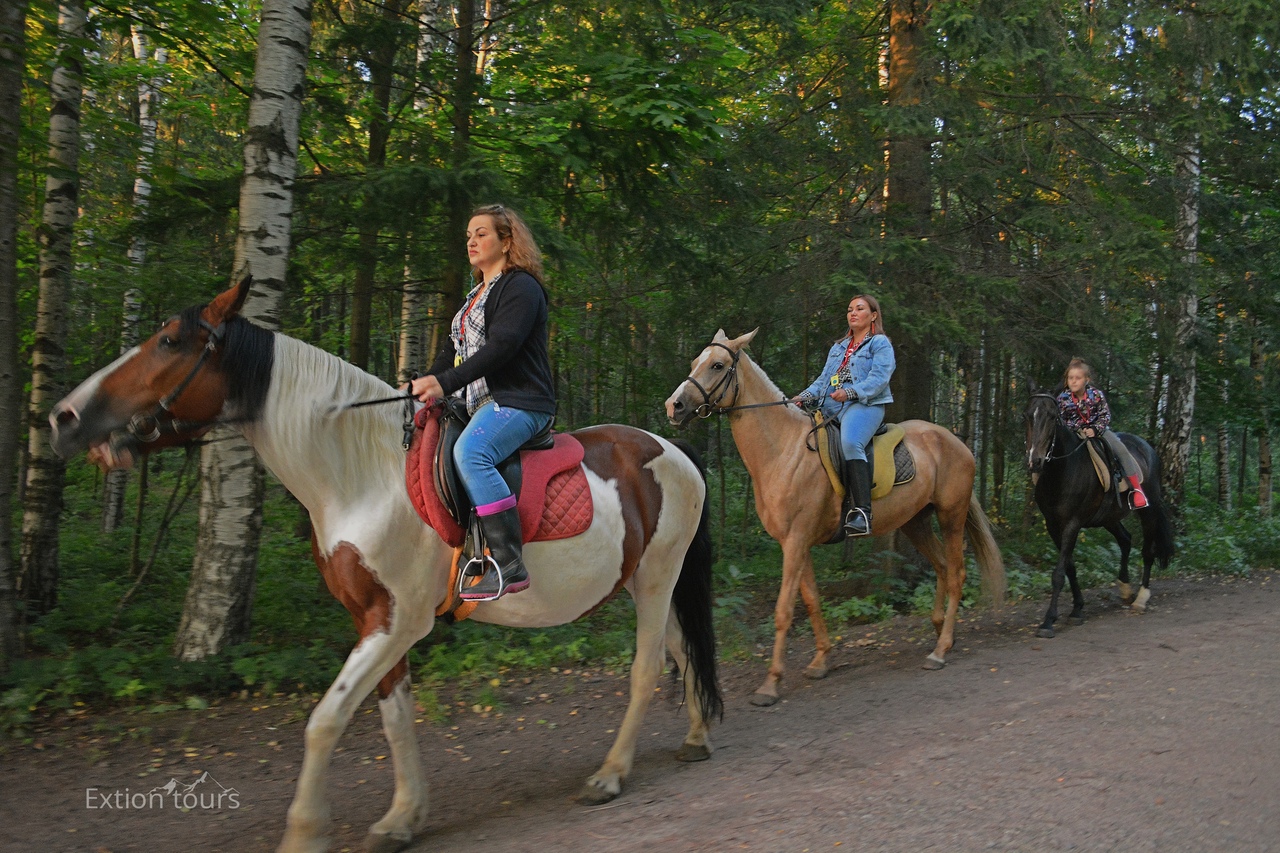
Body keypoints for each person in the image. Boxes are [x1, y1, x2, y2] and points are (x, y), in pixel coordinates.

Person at [410, 204, 556, 600]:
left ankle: (509, 564)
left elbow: (502, 347)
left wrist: (446, 383)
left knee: (471, 452)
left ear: (507, 242)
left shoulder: (521, 287)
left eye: (482, 234)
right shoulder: (475, 296)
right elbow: (451, 353)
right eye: (469, 236)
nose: (472, 241)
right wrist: (423, 385)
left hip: (521, 401)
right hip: (481, 404)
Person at [792, 295, 895, 536]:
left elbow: (879, 379)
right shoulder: (838, 348)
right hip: (832, 407)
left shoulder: (879, 344)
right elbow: (823, 380)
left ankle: (862, 513)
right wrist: (804, 396)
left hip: (865, 405)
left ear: (873, 315)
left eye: (860, 309)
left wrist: (850, 392)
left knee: (850, 442)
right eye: (850, 310)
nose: (853, 313)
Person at [1056, 357, 1148, 509]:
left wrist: (1095, 429)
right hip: (1075, 432)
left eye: (1078, 378)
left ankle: (1137, 490)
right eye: (1070, 378)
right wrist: (1077, 427)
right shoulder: (1063, 399)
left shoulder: (1096, 394)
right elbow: (1062, 420)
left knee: (1121, 449)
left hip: (1098, 431)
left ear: (1087, 379)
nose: (1073, 381)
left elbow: (1105, 415)